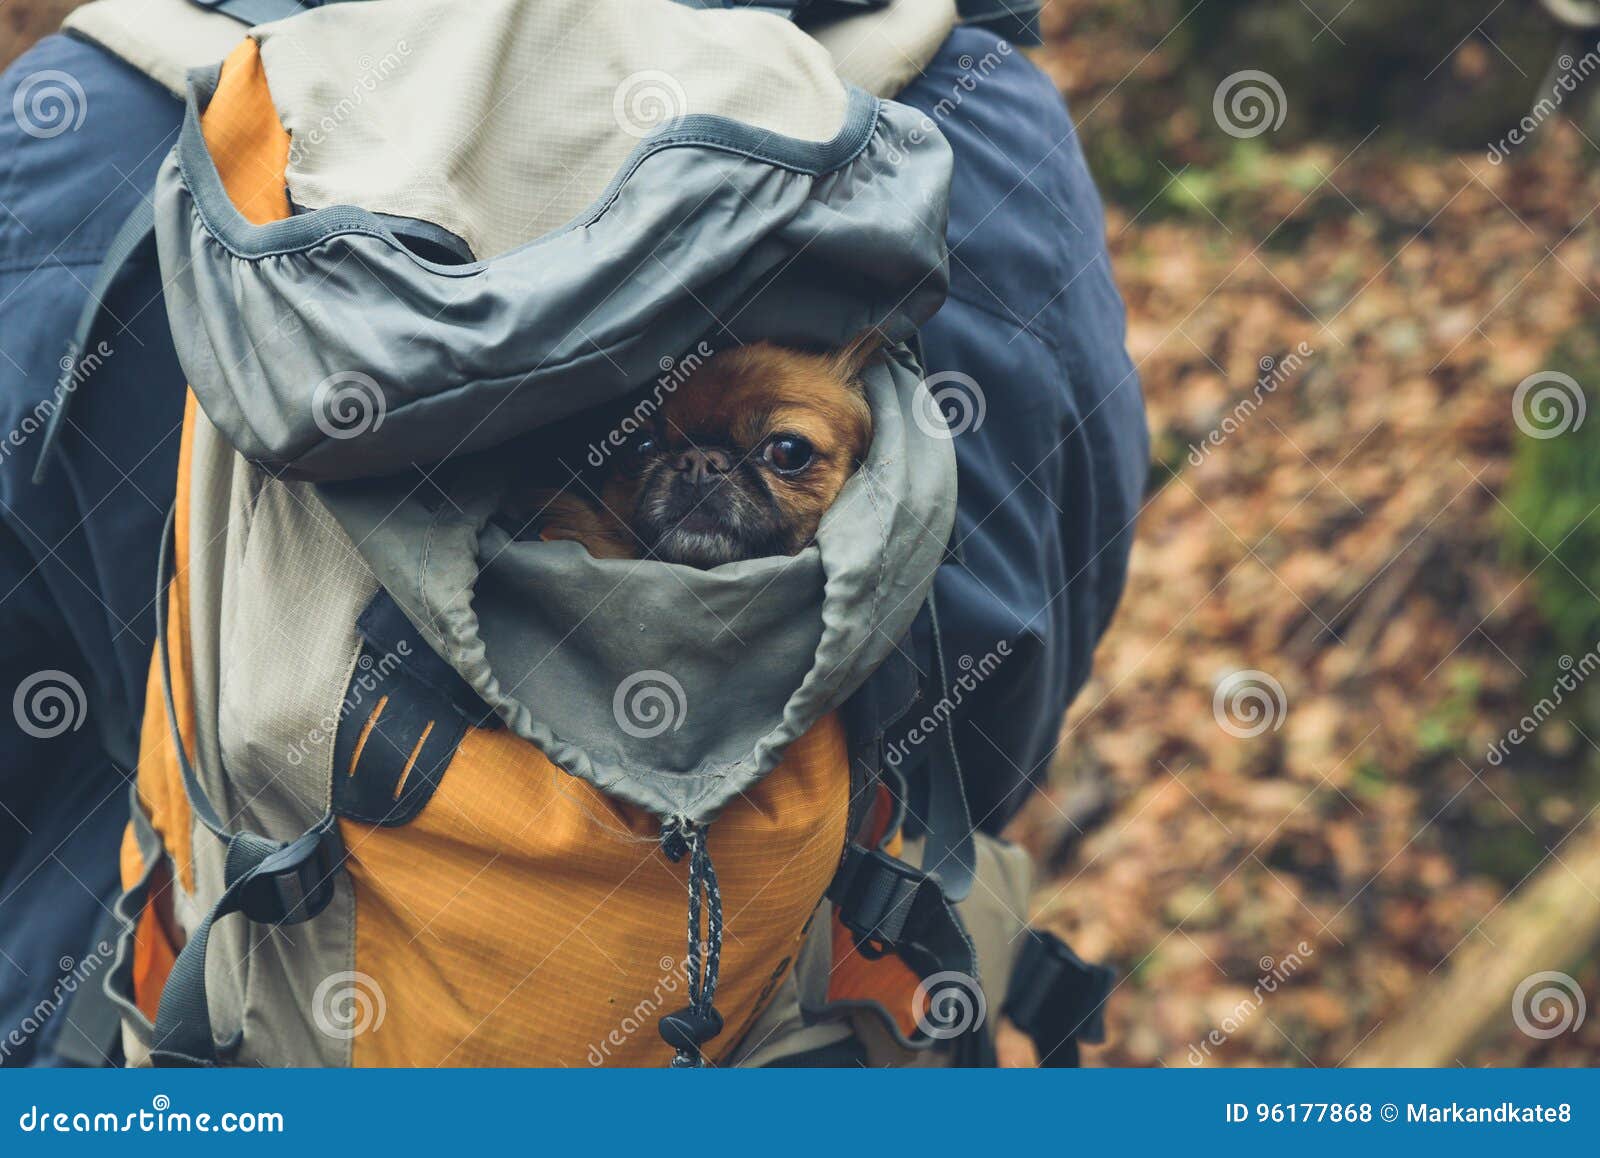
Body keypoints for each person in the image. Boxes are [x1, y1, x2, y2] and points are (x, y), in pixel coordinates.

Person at [0, 3, 1146, 1066]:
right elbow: (1001, 692)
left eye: (780, 454)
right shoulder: (958, 129)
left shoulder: (94, 119)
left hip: (218, 1021)